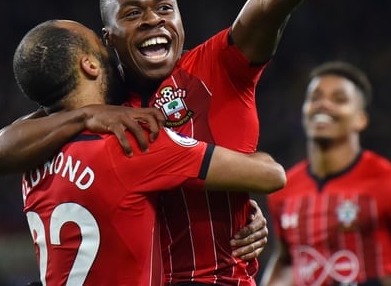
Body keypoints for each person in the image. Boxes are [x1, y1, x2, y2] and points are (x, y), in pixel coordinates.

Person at [0, 0, 376, 284]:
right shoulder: (104, 102)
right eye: (134, 14)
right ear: (108, 40)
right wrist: (90, 115)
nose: (154, 20)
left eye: (165, 8)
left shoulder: (216, 67)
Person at [15, 19, 286, 285]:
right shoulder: (129, 142)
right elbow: (270, 176)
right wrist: (236, 207)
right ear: (90, 65)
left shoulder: (31, 159)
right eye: (100, 47)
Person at [260, 61, 391, 286]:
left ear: (361, 119)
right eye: (315, 98)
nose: (323, 105)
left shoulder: (390, 182)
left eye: (338, 99)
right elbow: (288, 259)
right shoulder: (284, 188)